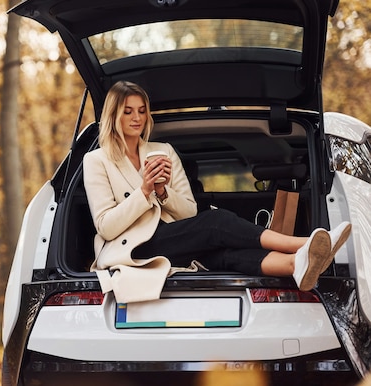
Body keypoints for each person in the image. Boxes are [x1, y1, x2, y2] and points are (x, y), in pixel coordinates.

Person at [83, 80, 351, 302]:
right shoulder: (96, 160)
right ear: (113, 114)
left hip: (174, 241)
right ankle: (306, 244)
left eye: (142, 110)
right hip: (134, 247)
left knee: (223, 255)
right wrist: (144, 192)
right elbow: (105, 227)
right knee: (216, 222)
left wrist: (163, 192)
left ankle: (295, 264)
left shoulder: (163, 151)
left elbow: (188, 210)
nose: (137, 118)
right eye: (128, 111)